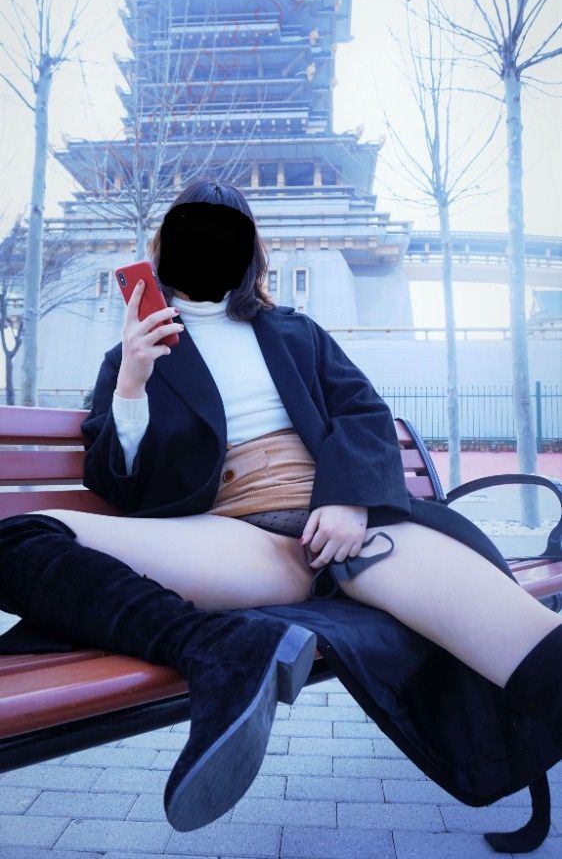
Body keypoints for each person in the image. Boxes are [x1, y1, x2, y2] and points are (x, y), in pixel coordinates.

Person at [1, 178, 561, 849]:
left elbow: (363, 413)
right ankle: (217, 651)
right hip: (234, 537)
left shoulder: (294, 333)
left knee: (536, 653)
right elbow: (120, 487)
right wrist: (131, 386)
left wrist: (347, 498)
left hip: (356, 529)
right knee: (20, 539)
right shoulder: (133, 356)